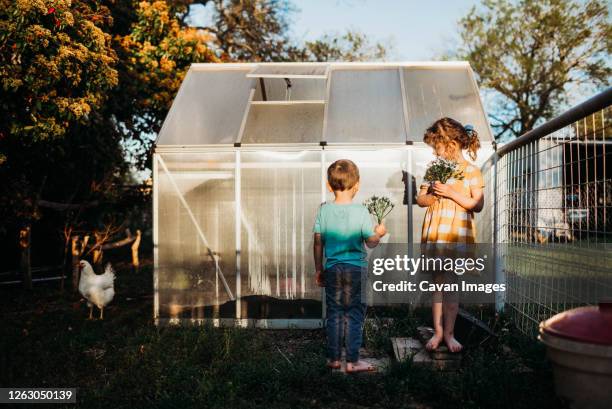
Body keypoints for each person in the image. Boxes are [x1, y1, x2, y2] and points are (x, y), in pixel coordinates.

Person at [416, 118, 485, 353]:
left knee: (452, 285)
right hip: (437, 233)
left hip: (456, 235)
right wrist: (435, 195)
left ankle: (450, 333)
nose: (435, 152)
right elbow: (420, 200)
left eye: (437, 146)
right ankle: (437, 332)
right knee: (438, 285)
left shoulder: (471, 171)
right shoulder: (434, 169)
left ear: (452, 145)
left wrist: (451, 192)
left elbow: (477, 204)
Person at [313, 159, 387, 373]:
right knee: (355, 314)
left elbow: (318, 242)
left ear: (329, 186)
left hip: (333, 268)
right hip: (356, 269)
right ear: (357, 185)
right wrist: (379, 233)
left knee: (335, 313)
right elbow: (370, 241)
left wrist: (319, 269)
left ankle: (334, 359)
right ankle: (353, 361)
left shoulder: (324, 211)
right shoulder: (361, 211)